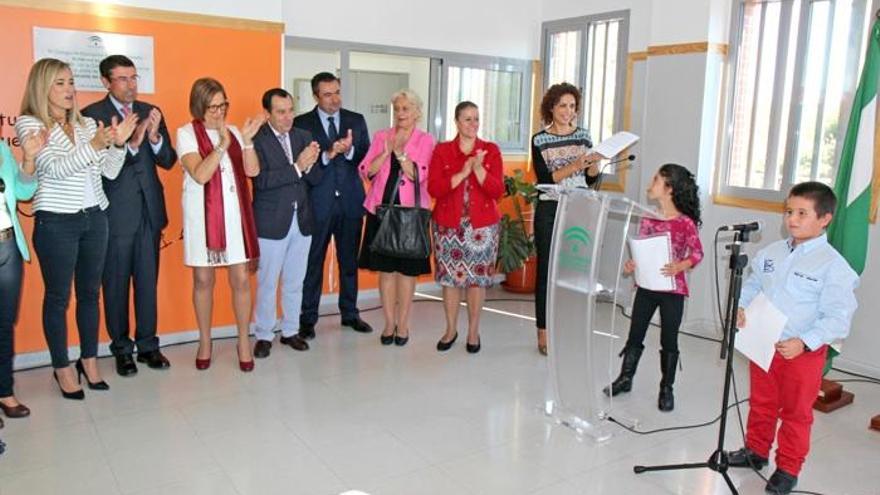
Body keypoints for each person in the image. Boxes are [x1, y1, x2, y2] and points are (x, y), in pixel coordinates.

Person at [15, 58, 137, 399]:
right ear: (42, 87)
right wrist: (96, 145)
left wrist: (117, 144)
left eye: (70, 82)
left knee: (89, 295)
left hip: (95, 217)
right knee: (57, 298)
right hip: (57, 221)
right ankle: (61, 366)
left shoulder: (86, 124)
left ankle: (89, 359)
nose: (70, 89)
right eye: (60, 83)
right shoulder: (30, 124)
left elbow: (109, 172)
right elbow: (53, 170)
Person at [726, 182, 858, 495]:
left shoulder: (834, 266)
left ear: (824, 218)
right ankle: (756, 451)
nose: (792, 219)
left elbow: (838, 319)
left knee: (796, 413)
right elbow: (754, 283)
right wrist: (741, 307)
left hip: (801, 353)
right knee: (761, 403)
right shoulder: (772, 252)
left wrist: (806, 341)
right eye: (789, 211)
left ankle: (788, 468)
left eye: (802, 213)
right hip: (764, 342)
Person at [82, 54, 177, 377]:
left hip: (150, 211)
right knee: (117, 285)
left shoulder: (150, 112)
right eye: (122, 79)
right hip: (115, 214)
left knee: (147, 283)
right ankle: (122, 349)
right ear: (106, 82)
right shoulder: (91, 117)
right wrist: (132, 145)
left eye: (134, 77)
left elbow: (167, 160)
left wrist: (154, 138)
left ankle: (149, 345)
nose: (130, 85)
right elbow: (100, 171)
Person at [176, 77, 263, 372]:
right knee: (203, 280)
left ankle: (242, 341)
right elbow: (200, 175)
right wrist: (222, 146)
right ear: (199, 106)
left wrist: (246, 141)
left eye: (223, 104)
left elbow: (252, 171)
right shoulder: (186, 133)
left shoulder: (236, 131)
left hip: (236, 215)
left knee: (240, 280)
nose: (219, 112)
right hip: (203, 218)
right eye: (212, 107)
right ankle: (205, 340)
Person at [604, 163, 704, 412]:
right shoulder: (648, 217)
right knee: (635, 334)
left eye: (656, 179)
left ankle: (666, 387)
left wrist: (681, 265)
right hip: (646, 287)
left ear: (669, 188)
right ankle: (625, 378)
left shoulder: (685, 223)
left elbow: (698, 253)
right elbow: (642, 250)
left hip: (673, 291)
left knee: (669, 339)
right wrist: (632, 265)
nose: (651, 183)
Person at [293, 72, 372, 340]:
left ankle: (350, 313)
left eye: (337, 92)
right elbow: (301, 165)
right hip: (318, 204)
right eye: (327, 94)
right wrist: (330, 154)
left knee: (348, 261)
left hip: (350, 202)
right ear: (316, 96)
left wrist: (349, 151)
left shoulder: (355, 120)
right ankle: (307, 319)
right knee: (312, 263)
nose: (334, 99)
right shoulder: (302, 124)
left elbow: (366, 158)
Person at [358, 89, 435, 346]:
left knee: (406, 273)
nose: (400, 113)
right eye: (397, 109)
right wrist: (385, 152)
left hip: (410, 213)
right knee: (386, 271)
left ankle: (403, 324)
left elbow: (418, 175)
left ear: (416, 112)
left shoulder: (425, 140)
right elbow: (366, 171)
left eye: (406, 108)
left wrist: (401, 154)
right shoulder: (382, 136)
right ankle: (389, 323)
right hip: (381, 211)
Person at [428, 101, 503, 354]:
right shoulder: (443, 151)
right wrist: (462, 172)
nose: (473, 124)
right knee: (450, 281)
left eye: (476, 119)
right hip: (448, 228)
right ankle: (450, 329)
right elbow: (434, 189)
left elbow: (497, 191)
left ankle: (473, 331)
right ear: (457, 122)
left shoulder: (490, 150)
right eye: (467, 119)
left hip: (482, 229)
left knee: (476, 282)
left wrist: (479, 168)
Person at [531, 82, 601, 355]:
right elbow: (545, 179)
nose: (568, 111)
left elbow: (592, 180)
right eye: (562, 105)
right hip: (550, 209)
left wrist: (594, 164)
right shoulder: (540, 140)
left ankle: (569, 328)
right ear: (551, 107)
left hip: (579, 209)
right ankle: (543, 332)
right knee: (547, 272)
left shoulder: (584, 137)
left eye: (572, 106)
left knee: (574, 271)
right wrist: (573, 165)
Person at [251, 88, 320, 358]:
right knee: (267, 282)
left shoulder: (303, 136)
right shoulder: (256, 139)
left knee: (295, 280)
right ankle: (264, 334)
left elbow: (314, 179)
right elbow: (261, 181)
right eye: (281, 112)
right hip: (271, 221)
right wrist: (298, 167)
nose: (288, 116)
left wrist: (316, 162)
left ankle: (291, 330)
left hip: (301, 219)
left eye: (291, 109)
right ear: (267, 113)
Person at [0, 133, 46, 421]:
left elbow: (24, 192)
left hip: (6, 246)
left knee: (4, 326)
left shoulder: (2, 149)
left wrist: (28, 159)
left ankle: (5, 391)